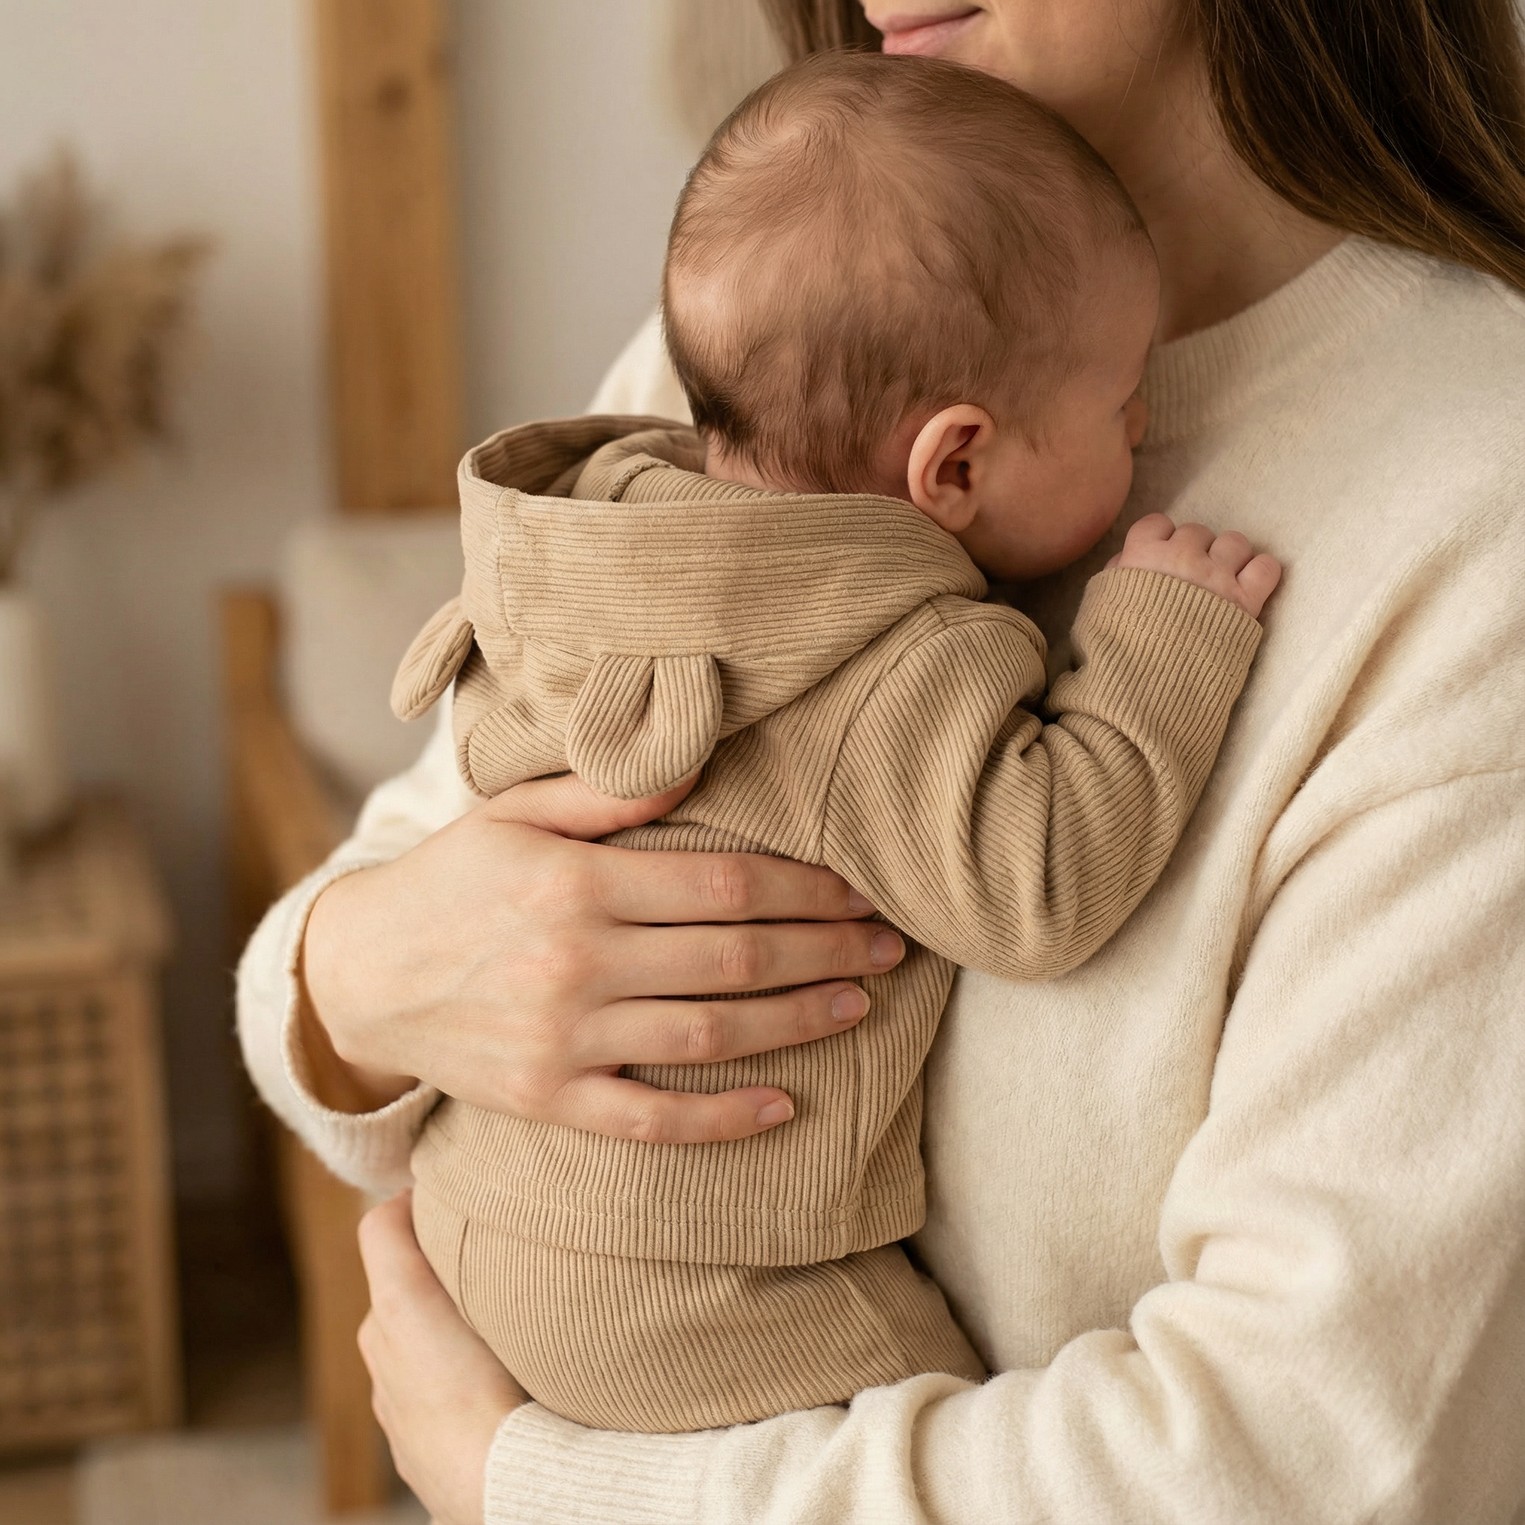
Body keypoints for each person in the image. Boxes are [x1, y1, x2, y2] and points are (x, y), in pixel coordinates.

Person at [236, 0, 1525, 1520]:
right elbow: (325, 971)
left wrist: (535, 1482)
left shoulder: (1471, 513)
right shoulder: (785, 327)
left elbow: (1309, 1463)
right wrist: (366, 971)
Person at [387, 50, 1280, 1433]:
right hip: (704, 1277)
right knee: (928, 1432)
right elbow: (1035, 881)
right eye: (1120, 407)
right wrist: (1160, 647)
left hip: (478, 1197)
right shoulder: (878, 658)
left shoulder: (608, 525)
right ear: (956, 467)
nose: (1145, 422)